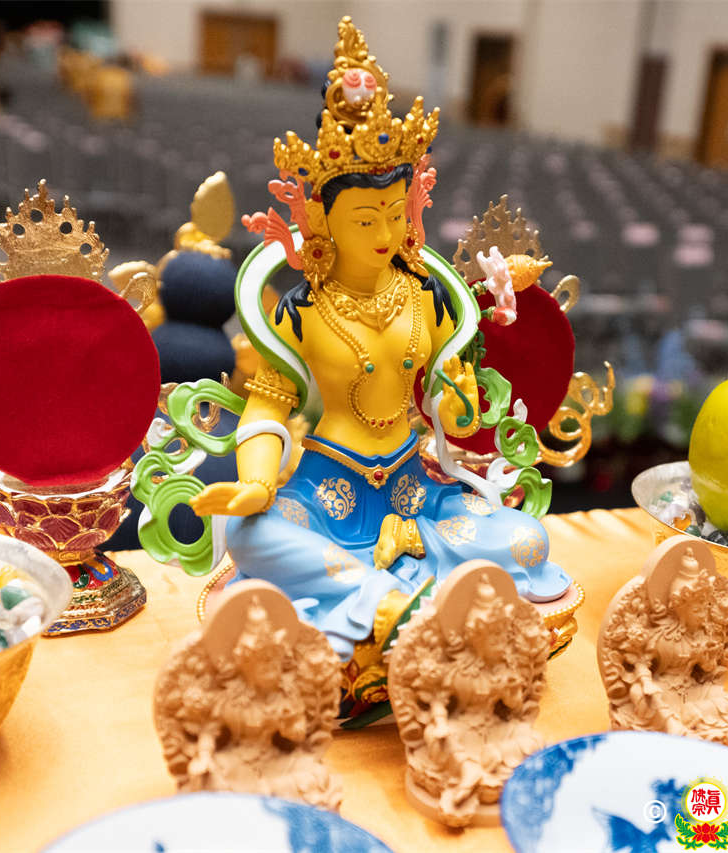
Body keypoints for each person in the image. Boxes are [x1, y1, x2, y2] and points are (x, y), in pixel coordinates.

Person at [184, 18, 571, 659]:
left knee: (528, 539)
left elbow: (454, 407)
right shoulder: (302, 310)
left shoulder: (426, 295)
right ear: (321, 218)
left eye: (395, 214)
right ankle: (382, 594)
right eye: (366, 219)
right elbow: (266, 404)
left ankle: (390, 580)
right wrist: (256, 482)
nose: (386, 234)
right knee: (251, 538)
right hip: (325, 490)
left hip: (417, 490)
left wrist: (457, 400)